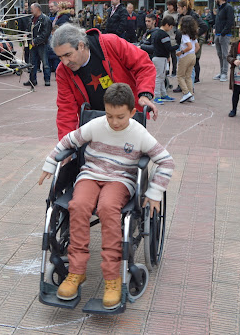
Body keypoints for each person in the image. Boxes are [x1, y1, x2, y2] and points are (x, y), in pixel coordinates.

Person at [38, 82, 174, 310]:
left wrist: (154, 193)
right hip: (91, 174)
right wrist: (51, 163)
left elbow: (166, 161)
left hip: (121, 179)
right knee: (78, 205)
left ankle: (112, 279)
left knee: (107, 209)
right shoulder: (96, 125)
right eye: (110, 115)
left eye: (120, 117)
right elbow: (68, 141)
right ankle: (76, 272)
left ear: (132, 112)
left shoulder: (139, 133)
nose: (114, 122)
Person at [51, 23, 158, 139]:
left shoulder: (111, 44)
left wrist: (145, 94)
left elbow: (144, 65)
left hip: (127, 117)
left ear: (81, 46)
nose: (65, 62)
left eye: (68, 55)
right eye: (60, 57)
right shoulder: (63, 71)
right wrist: (66, 144)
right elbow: (66, 111)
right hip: (95, 122)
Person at [176, 0, 207, 86]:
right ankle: (181, 85)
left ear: (184, 7)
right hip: (182, 42)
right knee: (182, 65)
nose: (177, 9)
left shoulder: (193, 15)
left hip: (190, 43)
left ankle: (191, 84)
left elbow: (204, 26)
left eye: (179, 7)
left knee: (192, 63)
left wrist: (193, 36)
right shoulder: (180, 16)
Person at [147, 15, 176, 105]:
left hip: (157, 57)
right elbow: (169, 47)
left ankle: (163, 94)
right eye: (171, 26)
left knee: (161, 76)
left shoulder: (156, 32)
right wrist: (178, 47)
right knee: (159, 77)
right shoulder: (164, 34)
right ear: (167, 25)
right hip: (161, 58)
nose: (171, 29)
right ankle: (157, 96)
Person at [24, 3, 52, 87]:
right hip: (33, 44)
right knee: (32, 63)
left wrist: (35, 41)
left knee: (45, 63)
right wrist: (26, 34)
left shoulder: (45, 19)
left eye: (32, 8)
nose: (30, 10)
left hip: (42, 44)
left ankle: (47, 80)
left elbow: (46, 33)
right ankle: (32, 80)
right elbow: (29, 29)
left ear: (37, 9)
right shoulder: (32, 19)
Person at [175, 15, 198, 103]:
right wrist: (192, 53)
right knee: (188, 76)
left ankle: (186, 92)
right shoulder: (193, 35)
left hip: (186, 56)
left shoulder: (184, 35)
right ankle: (191, 94)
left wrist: (181, 52)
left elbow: (189, 46)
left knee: (180, 76)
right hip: (192, 56)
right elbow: (197, 47)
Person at [214, 0, 234, 82]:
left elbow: (230, 22)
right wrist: (215, 28)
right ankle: (221, 71)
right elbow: (217, 20)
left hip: (224, 35)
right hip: (217, 34)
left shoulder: (228, 7)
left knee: (225, 54)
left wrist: (223, 33)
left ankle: (224, 73)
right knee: (219, 54)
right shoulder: (219, 8)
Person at [163, 0, 179, 77]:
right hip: (165, 36)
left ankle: (174, 71)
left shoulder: (177, 14)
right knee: (166, 55)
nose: (168, 6)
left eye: (170, 5)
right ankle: (167, 71)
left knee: (173, 56)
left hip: (173, 37)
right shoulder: (165, 13)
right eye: (167, 5)